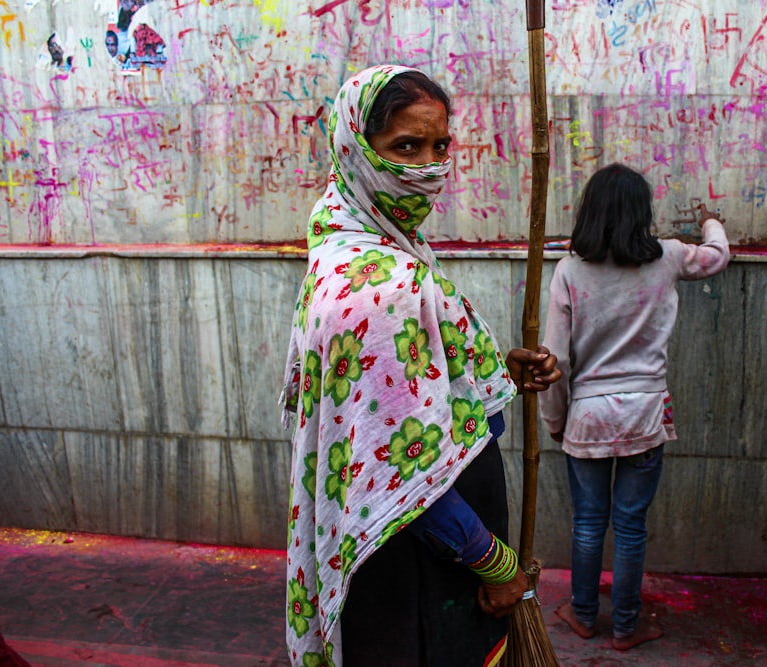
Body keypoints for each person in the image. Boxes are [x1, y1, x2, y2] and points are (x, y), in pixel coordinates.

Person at [279, 64, 561, 667]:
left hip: (398, 559)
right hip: (423, 566)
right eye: (405, 147)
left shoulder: (357, 241)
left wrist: (495, 373)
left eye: (440, 146)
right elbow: (402, 475)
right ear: (357, 148)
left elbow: (396, 394)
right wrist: (497, 563)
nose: (430, 168)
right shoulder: (378, 284)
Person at [538, 163, 730, 650]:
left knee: (587, 524)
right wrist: (710, 220)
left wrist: (555, 420)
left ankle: (583, 615)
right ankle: (626, 626)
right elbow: (716, 256)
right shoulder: (667, 257)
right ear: (641, 213)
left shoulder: (569, 270)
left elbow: (554, 360)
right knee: (630, 527)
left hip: (587, 416)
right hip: (645, 414)